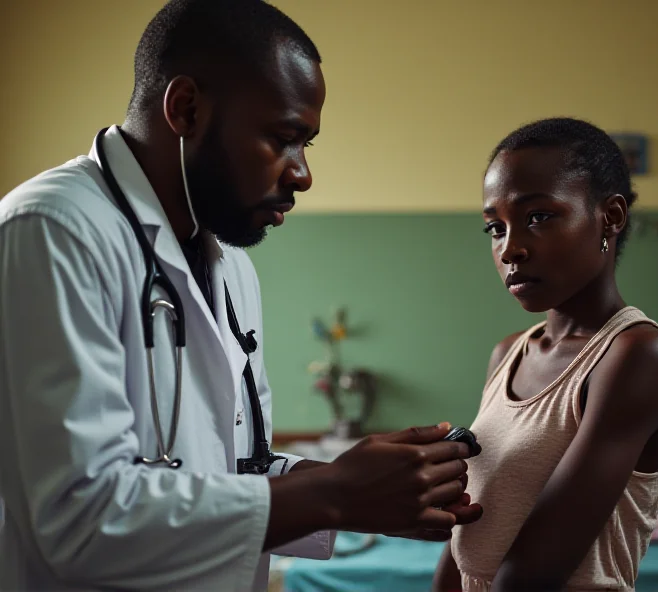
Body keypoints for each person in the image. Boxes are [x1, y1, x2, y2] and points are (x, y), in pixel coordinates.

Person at [0, 1, 481, 590]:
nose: (302, 174)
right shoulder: (52, 230)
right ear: (185, 108)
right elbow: (80, 520)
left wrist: (369, 492)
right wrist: (332, 494)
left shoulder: (228, 266)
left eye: (307, 145)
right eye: (283, 138)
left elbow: (233, 468)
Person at [433, 118, 658, 592]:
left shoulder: (637, 355)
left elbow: (533, 572)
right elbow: (465, 536)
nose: (510, 249)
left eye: (538, 217)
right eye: (495, 227)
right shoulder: (509, 353)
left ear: (610, 216)